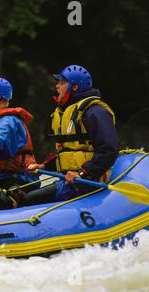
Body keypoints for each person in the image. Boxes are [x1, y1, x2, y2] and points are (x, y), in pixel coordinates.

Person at [24, 65, 119, 204]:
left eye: (62, 83)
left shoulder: (94, 112)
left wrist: (82, 173)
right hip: (71, 181)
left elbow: (109, 150)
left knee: (29, 200)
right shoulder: (65, 111)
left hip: (90, 182)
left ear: (74, 87)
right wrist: (44, 166)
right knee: (27, 198)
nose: (57, 86)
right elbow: (68, 151)